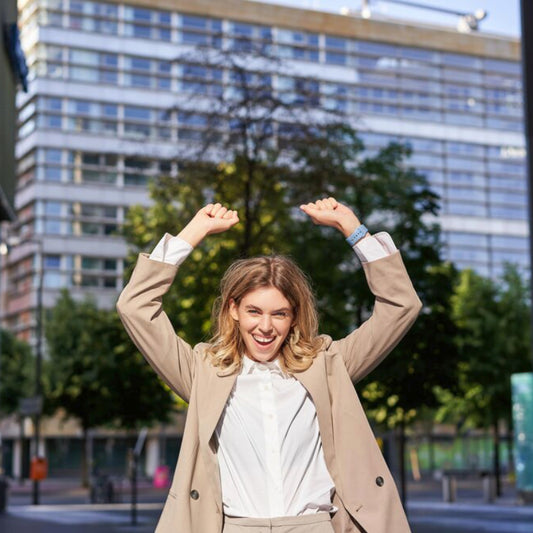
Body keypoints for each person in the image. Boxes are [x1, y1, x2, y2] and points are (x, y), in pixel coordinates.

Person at [117, 197, 422, 533]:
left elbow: (400, 306)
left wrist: (353, 229)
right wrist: (194, 232)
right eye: (254, 311)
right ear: (233, 309)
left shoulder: (327, 364)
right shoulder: (202, 371)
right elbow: (136, 308)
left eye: (279, 314)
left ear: (293, 318)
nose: (265, 326)